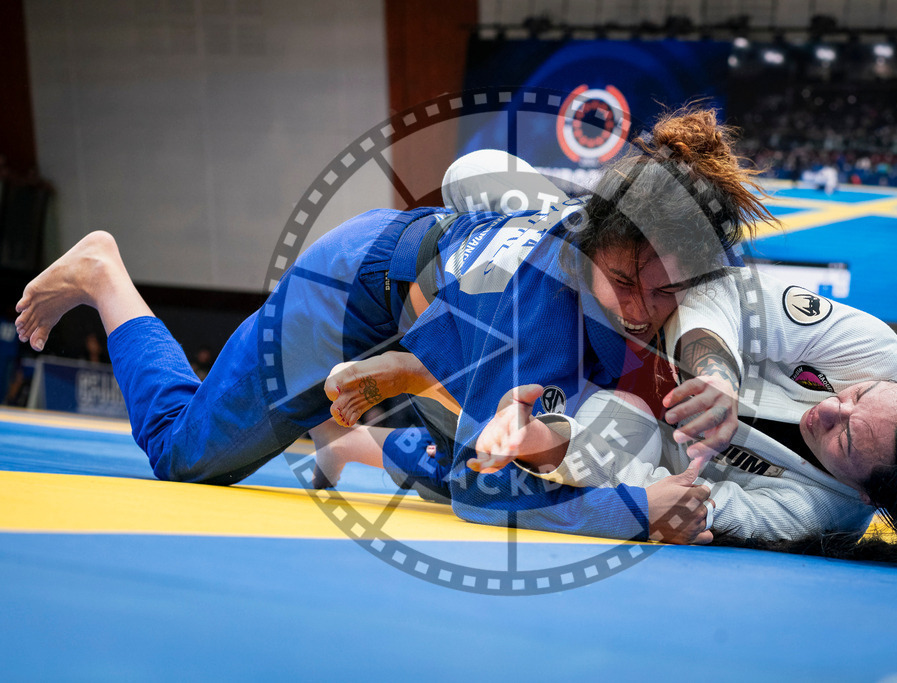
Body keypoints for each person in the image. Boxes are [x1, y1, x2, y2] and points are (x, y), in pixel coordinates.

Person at [15, 106, 770, 545]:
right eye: (624, 285)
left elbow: (705, 294)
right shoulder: (530, 314)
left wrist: (713, 369)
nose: (641, 311)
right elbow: (488, 496)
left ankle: (361, 439)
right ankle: (105, 276)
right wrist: (638, 512)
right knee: (185, 455)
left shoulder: (618, 237)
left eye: (663, 294)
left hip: (433, 294)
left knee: (507, 441)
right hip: (345, 293)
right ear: (586, 249)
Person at [320, 268, 897, 571]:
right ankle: (447, 388)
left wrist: (570, 458)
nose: (830, 409)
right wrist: (715, 374)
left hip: (630, 419)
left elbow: (690, 497)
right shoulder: (879, 354)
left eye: (843, 437)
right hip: (646, 333)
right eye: (856, 398)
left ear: (867, 495)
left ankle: (395, 429)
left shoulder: (819, 515)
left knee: (519, 479)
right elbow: (728, 292)